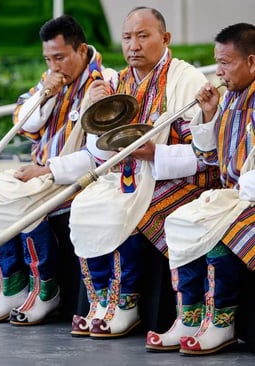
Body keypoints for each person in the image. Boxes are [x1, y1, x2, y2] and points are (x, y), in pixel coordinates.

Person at [69, 6, 221, 339]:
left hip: (177, 178)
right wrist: (90, 109)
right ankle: (99, 302)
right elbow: (98, 152)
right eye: (127, 37)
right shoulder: (116, 81)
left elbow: (204, 156)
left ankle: (126, 304)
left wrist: (157, 154)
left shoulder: (188, 80)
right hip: (126, 176)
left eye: (142, 36)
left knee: (126, 211)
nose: (133, 45)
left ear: (165, 38)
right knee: (83, 205)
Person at [0, 14, 108, 326]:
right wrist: (45, 94)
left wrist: (47, 168)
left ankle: (46, 290)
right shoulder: (48, 80)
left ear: (81, 50)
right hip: (42, 171)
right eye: (48, 59)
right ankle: (12, 286)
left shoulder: (105, 82)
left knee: (25, 204)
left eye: (60, 57)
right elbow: (25, 123)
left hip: (73, 176)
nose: (54, 66)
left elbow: (97, 155)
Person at [146, 22, 255, 355]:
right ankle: (189, 318)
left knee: (217, 229)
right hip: (232, 195)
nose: (219, 71)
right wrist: (208, 115)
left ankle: (222, 324)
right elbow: (208, 157)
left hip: (249, 195)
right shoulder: (228, 98)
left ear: (251, 62)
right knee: (180, 220)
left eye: (226, 63)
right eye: (217, 62)